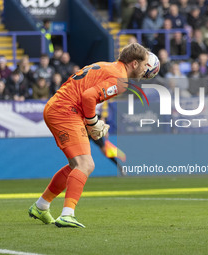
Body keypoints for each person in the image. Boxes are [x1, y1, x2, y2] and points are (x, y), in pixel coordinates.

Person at [28, 43, 149, 228]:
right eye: (144, 64)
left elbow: (84, 93)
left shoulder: (108, 66)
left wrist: (91, 121)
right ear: (134, 63)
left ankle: (41, 206)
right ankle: (67, 214)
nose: (145, 69)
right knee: (86, 164)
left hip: (60, 107)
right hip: (66, 110)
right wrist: (93, 123)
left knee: (76, 165)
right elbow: (88, 97)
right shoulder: (121, 79)